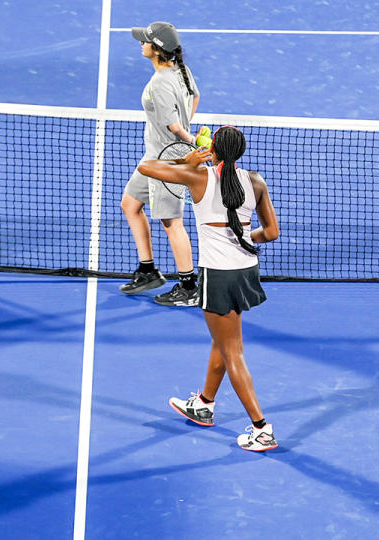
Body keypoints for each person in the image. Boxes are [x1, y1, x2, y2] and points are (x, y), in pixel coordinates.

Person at [135, 126, 281, 451]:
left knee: (232, 352)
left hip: (218, 275)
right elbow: (270, 232)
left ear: (213, 149)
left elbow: (146, 167)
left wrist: (187, 163)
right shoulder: (255, 181)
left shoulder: (198, 178)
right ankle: (204, 403)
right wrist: (243, 237)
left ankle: (262, 428)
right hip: (244, 271)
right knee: (223, 340)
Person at [120, 21, 205, 307]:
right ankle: (148, 271)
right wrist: (186, 126)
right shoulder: (182, 71)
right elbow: (195, 97)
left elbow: (173, 127)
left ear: (156, 50)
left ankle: (189, 285)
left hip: (167, 160)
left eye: (145, 41)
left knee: (172, 223)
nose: (141, 44)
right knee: (130, 205)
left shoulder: (160, 83)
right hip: (153, 157)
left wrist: (187, 137)